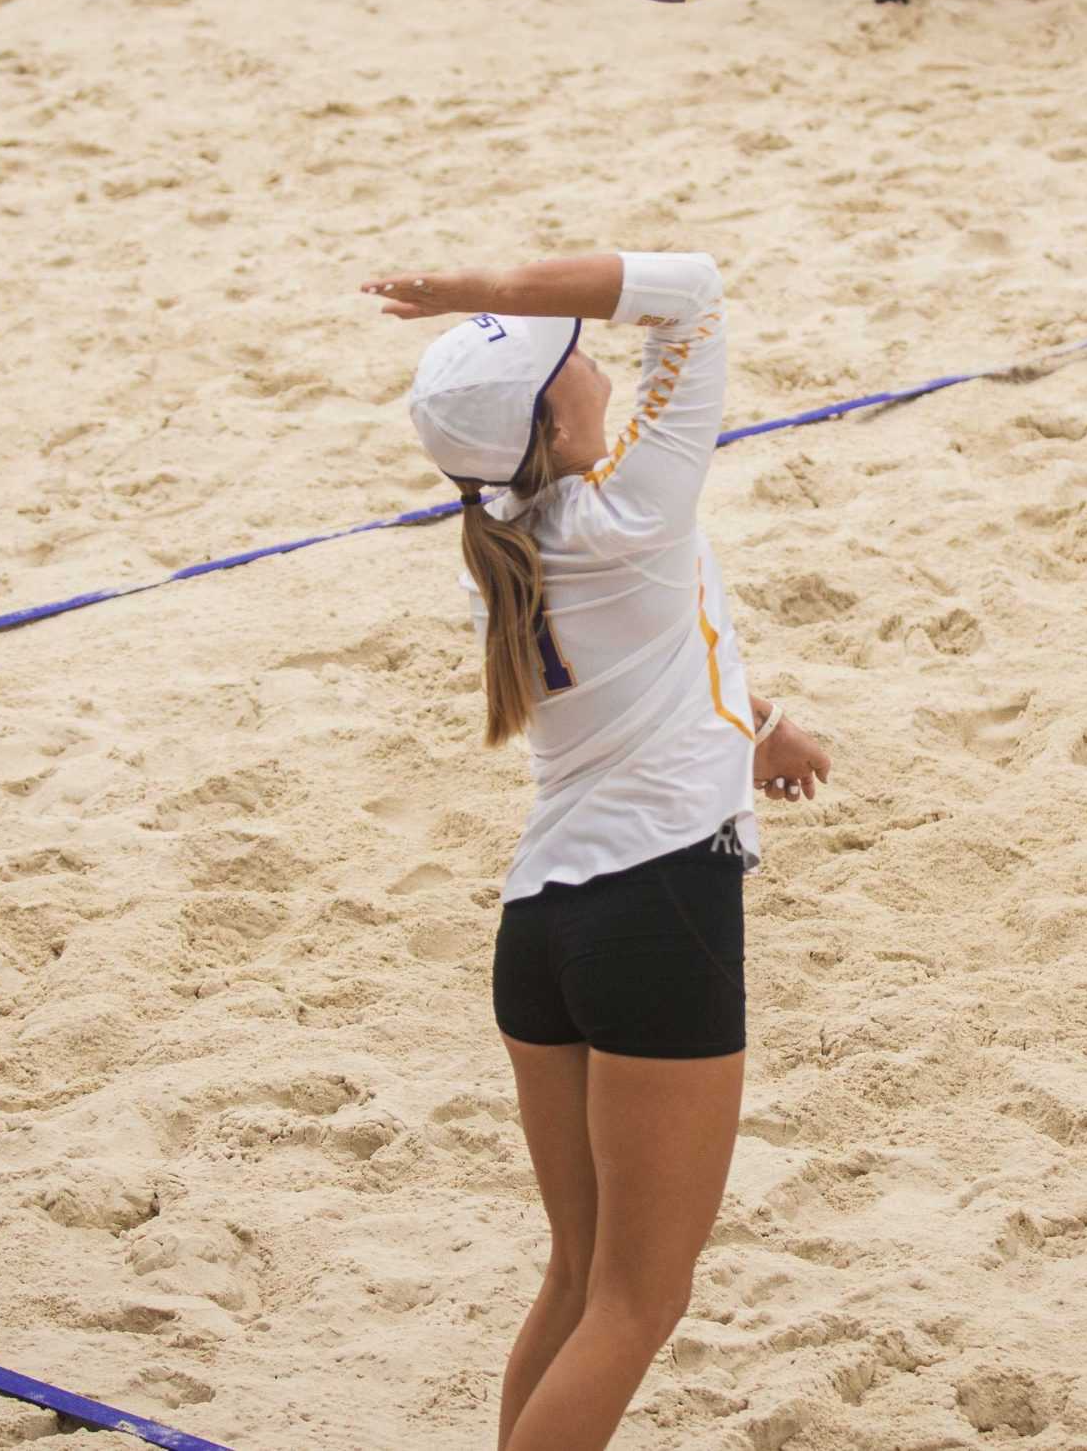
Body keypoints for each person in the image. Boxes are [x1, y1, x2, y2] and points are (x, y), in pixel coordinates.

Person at [362, 251, 832, 1451]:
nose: (585, 352)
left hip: (543, 932)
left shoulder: (506, 546)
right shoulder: (631, 503)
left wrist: (761, 726)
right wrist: (488, 285)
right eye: (562, 359)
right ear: (559, 420)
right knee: (638, 1301)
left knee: (576, 1278)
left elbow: (652, 659)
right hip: (654, 911)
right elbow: (694, 288)